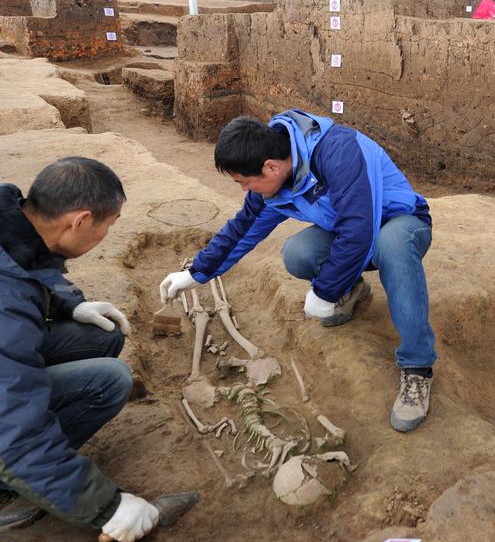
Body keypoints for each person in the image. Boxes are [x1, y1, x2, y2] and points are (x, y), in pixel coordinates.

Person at [159, 110, 437, 432]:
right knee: (298, 253)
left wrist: (324, 291)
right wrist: (197, 272)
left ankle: (417, 367)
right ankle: (353, 290)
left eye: (244, 182)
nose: (244, 189)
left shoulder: (338, 152)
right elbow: (242, 230)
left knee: (393, 244)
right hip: (350, 231)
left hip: (401, 222)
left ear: (271, 167)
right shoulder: (275, 181)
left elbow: (360, 229)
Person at [0, 157, 158, 542]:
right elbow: (12, 426)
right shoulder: (6, 303)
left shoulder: (12, 221)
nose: (106, 234)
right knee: (110, 381)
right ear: (81, 220)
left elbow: (30, 264)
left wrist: (71, 304)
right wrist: (108, 508)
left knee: (102, 338)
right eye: (108, 225)